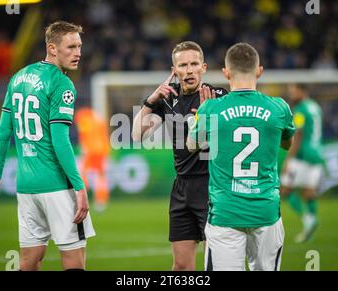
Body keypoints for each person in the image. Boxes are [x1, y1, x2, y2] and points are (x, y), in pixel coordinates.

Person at [0, 21, 95, 271]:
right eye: (71, 47)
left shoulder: (18, 77)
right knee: (74, 262)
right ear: (52, 48)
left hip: (27, 187)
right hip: (58, 187)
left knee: (29, 261)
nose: (78, 53)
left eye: (79, 46)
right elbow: (61, 141)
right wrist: (79, 187)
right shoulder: (62, 84)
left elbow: (4, 131)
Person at [187, 43, 295, 271]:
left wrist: (202, 117)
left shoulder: (211, 108)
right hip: (266, 210)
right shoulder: (279, 108)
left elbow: (191, 145)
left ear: (226, 73)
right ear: (259, 71)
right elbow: (286, 143)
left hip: (225, 212)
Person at [131, 41, 228, 271]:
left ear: (203, 67)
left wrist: (209, 114)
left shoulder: (218, 96)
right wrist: (151, 99)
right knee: (182, 266)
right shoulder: (167, 100)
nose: (190, 69)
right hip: (182, 190)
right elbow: (136, 135)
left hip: (211, 187)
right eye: (183, 65)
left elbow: (229, 140)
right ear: (175, 71)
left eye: (194, 64)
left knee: (217, 265)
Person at [280, 84, 323, 243]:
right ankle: (311, 219)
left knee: (285, 189)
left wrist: (288, 159)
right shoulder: (315, 107)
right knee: (309, 192)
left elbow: (298, 134)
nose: (291, 94)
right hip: (316, 153)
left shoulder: (300, 111)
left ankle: (308, 220)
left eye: (294, 91)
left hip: (302, 156)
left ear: (303, 91)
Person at [75, 107, 110, 212]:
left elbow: (83, 134)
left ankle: (81, 200)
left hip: (90, 150)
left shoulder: (82, 117)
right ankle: (101, 201)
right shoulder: (99, 118)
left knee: (82, 175)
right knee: (101, 176)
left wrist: (83, 147)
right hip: (102, 150)